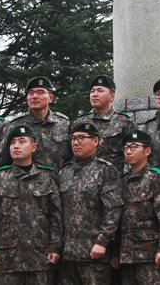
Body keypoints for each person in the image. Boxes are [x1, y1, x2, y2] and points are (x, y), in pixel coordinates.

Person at [0, 125, 63, 285]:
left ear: (34, 147)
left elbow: (55, 215)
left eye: (22, 142)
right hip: (6, 260)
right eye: (12, 142)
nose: (16, 146)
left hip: (40, 258)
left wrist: (55, 247)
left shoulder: (47, 177)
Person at [58, 122, 123, 285]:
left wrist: (102, 242)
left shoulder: (105, 170)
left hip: (93, 253)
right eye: (73, 138)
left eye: (81, 138)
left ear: (95, 142)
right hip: (67, 254)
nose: (76, 142)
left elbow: (113, 211)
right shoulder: (64, 171)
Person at [112, 129, 160, 285]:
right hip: (127, 256)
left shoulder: (156, 177)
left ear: (147, 151)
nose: (128, 151)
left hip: (150, 255)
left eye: (134, 147)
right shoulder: (122, 181)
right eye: (126, 148)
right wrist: (115, 253)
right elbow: (117, 221)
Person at [0, 76, 70, 169]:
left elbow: (71, 157)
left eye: (40, 92)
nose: (34, 96)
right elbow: (2, 159)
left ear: (50, 98)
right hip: (26, 180)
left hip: (58, 180)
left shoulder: (63, 123)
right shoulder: (16, 124)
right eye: (31, 93)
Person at [73, 74, 135, 172]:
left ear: (111, 96)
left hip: (113, 181)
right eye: (92, 91)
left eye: (100, 90)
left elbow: (134, 155)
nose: (94, 94)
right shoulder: (80, 122)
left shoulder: (124, 122)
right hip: (83, 180)